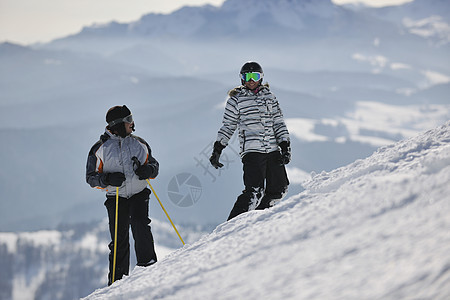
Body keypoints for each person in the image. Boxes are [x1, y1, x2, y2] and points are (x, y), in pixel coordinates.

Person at [86, 105, 159, 285]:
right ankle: (118, 281)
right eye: (128, 120)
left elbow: (155, 167)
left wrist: (148, 170)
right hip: (116, 197)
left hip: (139, 194)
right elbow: (91, 178)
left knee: (140, 223)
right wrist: (107, 179)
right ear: (118, 124)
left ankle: (148, 266)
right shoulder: (100, 148)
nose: (132, 123)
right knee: (119, 238)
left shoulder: (139, 143)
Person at [210, 61, 291, 221]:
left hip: (272, 149)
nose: (251, 80)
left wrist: (285, 146)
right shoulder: (236, 101)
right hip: (252, 152)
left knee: (280, 189)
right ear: (242, 79)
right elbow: (228, 126)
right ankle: (232, 225)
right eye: (247, 76)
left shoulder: (270, 97)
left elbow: (278, 122)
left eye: (255, 76)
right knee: (255, 191)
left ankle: (259, 218)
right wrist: (218, 149)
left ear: (261, 78)